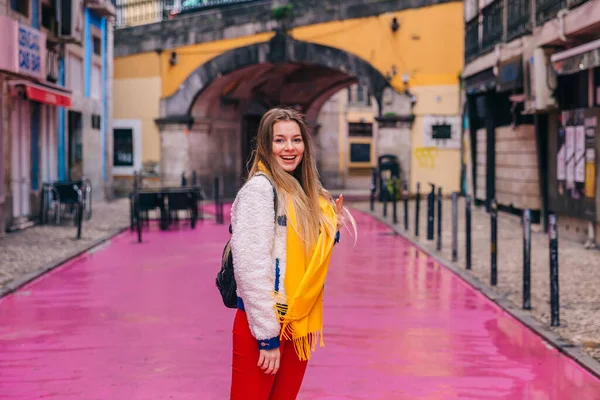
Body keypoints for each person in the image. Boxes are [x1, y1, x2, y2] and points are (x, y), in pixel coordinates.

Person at [229, 107, 355, 399]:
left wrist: (329, 231)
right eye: (279, 140)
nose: (289, 148)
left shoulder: (301, 191)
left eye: (296, 140)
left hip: (298, 322)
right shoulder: (259, 191)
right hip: (263, 324)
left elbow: (299, 254)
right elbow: (249, 268)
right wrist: (267, 335)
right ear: (265, 145)